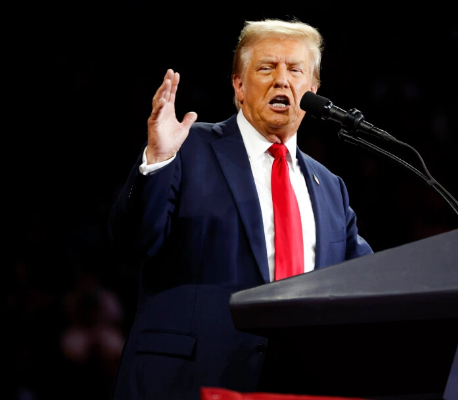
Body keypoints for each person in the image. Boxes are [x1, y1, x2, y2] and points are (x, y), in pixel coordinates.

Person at [108, 18, 373, 400]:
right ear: (239, 86)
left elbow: (366, 284)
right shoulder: (188, 148)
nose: (282, 80)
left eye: (295, 70)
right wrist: (158, 160)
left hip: (294, 386)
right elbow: (132, 242)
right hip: (188, 381)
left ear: (312, 90)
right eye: (266, 68)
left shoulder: (330, 187)